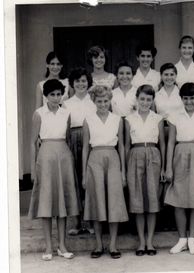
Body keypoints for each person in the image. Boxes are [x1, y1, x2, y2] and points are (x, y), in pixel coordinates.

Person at [29, 79, 79, 261]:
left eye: (59, 94)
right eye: (52, 95)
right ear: (45, 96)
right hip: (46, 157)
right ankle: (48, 246)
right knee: (47, 201)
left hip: (63, 156)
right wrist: (34, 169)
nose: (56, 98)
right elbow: (33, 142)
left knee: (62, 203)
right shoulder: (39, 113)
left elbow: (66, 137)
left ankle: (62, 245)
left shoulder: (66, 113)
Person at [164, 82, 194, 255]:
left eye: (192, 98)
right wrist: (168, 167)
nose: (189, 102)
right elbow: (170, 142)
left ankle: (192, 239)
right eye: (185, 99)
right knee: (179, 198)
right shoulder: (174, 115)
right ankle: (182, 239)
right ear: (181, 99)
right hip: (180, 154)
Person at [82, 85, 128, 259]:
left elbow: (122, 145)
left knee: (114, 202)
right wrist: (84, 173)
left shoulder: (117, 119)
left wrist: (123, 171)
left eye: (106, 101)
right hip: (94, 159)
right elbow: (85, 147)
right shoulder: (88, 120)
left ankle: (113, 245)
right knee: (97, 201)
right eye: (99, 101)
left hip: (113, 157)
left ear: (110, 101)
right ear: (94, 102)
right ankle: (99, 245)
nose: (103, 104)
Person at [125, 85, 166, 256]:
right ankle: (141, 241)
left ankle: (150, 241)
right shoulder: (128, 119)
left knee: (152, 200)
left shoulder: (158, 118)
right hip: (135, 155)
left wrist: (163, 167)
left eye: (148, 99)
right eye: (142, 99)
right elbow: (126, 145)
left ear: (152, 101)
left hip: (154, 156)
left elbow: (162, 144)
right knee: (138, 201)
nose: (145, 102)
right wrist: (126, 167)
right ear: (137, 99)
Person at [63, 68, 96, 236]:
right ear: (72, 84)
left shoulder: (94, 101)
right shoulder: (67, 103)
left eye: (83, 80)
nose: (81, 84)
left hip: (91, 141)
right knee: (74, 180)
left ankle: (90, 221)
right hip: (74, 140)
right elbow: (66, 127)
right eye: (77, 81)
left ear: (88, 82)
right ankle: (75, 222)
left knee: (89, 179)